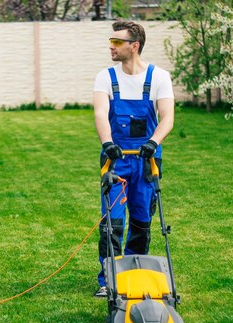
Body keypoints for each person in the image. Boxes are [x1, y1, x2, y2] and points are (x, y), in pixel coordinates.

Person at [93, 21, 175, 298]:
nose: (111, 46)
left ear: (134, 46)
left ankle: (133, 274)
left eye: (116, 42)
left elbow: (167, 117)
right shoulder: (106, 77)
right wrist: (108, 143)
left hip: (145, 160)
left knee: (141, 221)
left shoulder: (159, 77)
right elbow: (101, 114)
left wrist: (154, 142)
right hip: (116, 160)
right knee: (113, 223)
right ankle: (109, 280)